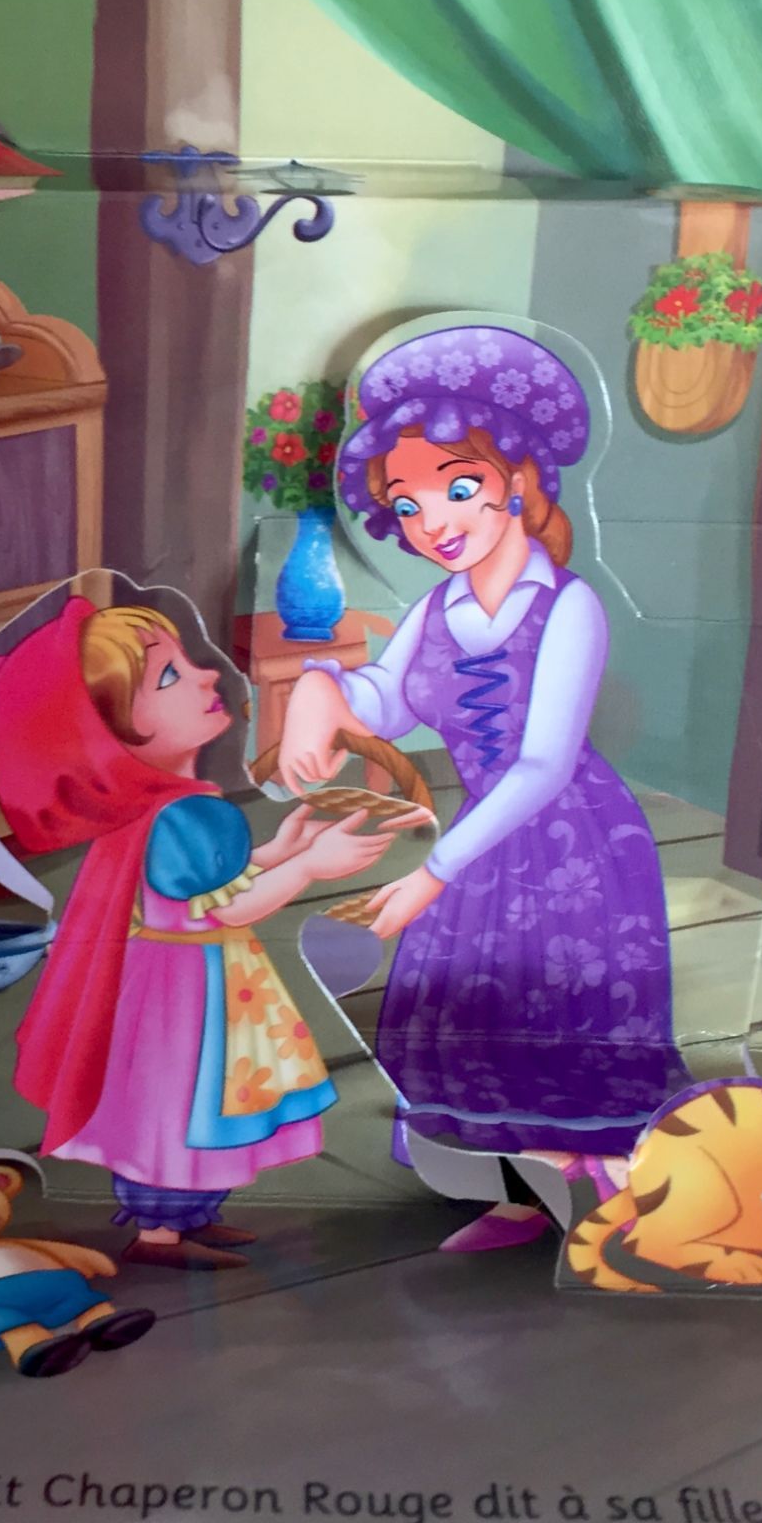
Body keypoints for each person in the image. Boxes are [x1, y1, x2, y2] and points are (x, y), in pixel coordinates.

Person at [277, 323, 689, 1253]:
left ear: (519, 479)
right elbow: (387, 700)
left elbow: (544, 765)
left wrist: (434, 873)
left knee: (563, 1014)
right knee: (479, 1017)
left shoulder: (568, 605)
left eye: (458, 489)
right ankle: (518, 1197)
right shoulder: (438, 605)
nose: (435, 522)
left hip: (573, 844)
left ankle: (621, 1206)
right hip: (482, 844)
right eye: (408, 505)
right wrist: (319, 692)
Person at [0, 597, 401, 1269]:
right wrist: (309, 866)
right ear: (115, 735)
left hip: (189, 976)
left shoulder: (166, 808)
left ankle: (191, 1218)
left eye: (189, 663)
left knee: (198, 1106)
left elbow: (202, 890)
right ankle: (161, 1233)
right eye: (169, 677)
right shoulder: (178, 815)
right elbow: (226, 909)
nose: (207, 674)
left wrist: (276, 853)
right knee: (180, 1104)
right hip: (186, 993)